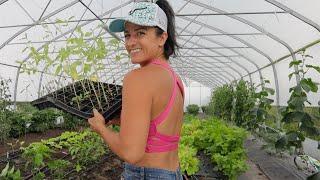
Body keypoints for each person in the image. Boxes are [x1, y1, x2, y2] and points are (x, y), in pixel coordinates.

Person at [88, 0, 184, 179]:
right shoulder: (174, 78)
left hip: (147, 174)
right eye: (127, 35)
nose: (131, 42)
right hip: (172, 172)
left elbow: (131, 153)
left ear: (162, 38)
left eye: (140, 33)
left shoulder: (138, 78)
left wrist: (101, 128)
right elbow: (160, 129)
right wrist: (122, 122)